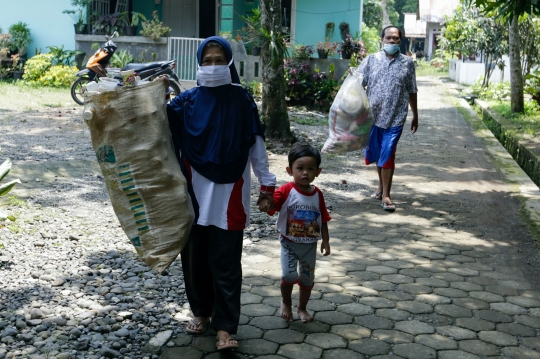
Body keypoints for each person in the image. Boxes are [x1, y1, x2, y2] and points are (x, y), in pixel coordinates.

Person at [166, 36, 275, 350]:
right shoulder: (186, 102)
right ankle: (202, 313)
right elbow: (154, 122)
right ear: (199, 64)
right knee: (194, 260)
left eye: (219, 60)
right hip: (193, 195)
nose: (213, 66)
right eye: (207, 60)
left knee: (226, 263)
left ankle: (226, 327)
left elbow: (257, 148)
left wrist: (267, 187)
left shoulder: (241, 101)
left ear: (229, 63)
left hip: (231, 195)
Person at [267, 143, 331, 322]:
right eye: (300, 168)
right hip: (289, 243)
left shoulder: (318, 194)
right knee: (289, 275)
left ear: (318, 172)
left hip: (310, 245)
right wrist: (267, 201)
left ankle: (302, 308)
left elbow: (323, 218)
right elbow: (274, 203)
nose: (305, 173)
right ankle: (286, 301)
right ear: (289, 170)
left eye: (310, 169)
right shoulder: (287, 190)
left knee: (307, 279)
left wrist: (325, 240)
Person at [357, 25, 418, 212]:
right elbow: (357, 84)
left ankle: (386, 196)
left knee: (388, 153)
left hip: (395, 118)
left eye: (396, 39)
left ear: (401, 41)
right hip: (373, 118)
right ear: (382, 39)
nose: (392, 41)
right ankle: (380, 187)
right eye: (388, 38)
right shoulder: (371, 61)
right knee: (377, 154)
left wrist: (415, 115)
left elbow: (412, 90)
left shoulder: (407, 63)